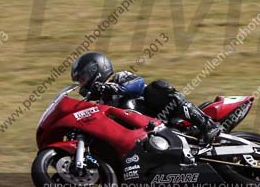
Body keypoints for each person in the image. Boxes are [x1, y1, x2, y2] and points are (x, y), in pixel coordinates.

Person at [70, 52, 222, 146]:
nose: (83, 84)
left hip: (159, 115)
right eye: (80, 81)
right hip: (143, 136)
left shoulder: (118, 78)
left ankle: (207, 125)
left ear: (95, 71)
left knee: (158, 87)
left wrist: (114, 88)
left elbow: (138, 83)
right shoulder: (102, 103)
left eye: (83, 78)